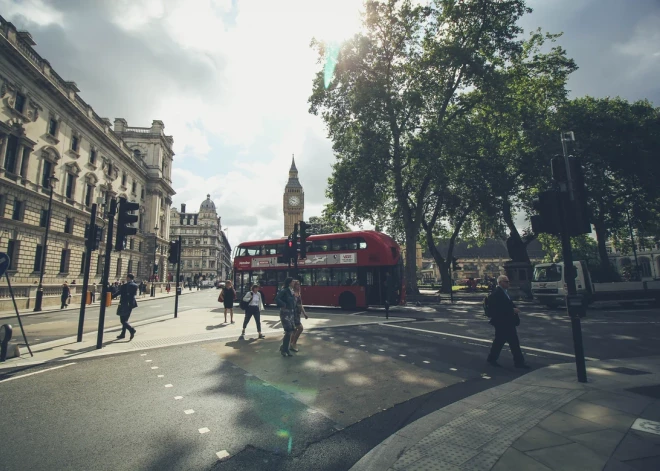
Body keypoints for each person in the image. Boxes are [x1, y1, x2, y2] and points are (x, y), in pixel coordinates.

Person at [486, 275, 529, 369]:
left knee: (507, 342)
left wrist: (513, 309)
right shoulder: (496, 293)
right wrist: (512, 310)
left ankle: (517, 362)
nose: (508, 283)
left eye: (508, 281)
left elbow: (506, 304)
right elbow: (497, 308)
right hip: (502, 322)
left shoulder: (504, 292)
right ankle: (518, 362)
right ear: (500, 282)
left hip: (507, 321)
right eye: (506, 281)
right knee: (504, 342)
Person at [113, 273, 139, 340]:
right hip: (131, 304)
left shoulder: (124, 286)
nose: (126, 278)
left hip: (124, 303)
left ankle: (131, 330)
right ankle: (123, 334)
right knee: (126, 319)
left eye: (126, 277)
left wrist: (110, 297)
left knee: (122, 320)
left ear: (128, 278)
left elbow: (118, 293)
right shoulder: (135, 285)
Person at [275, 277, 296, 357]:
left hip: (291, 312)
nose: (294, 283)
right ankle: (285, 349)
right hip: (285, 313)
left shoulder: (291, 291)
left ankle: (284, 348)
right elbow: (277, 298)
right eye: (293, 281)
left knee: (290, 331)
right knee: (288, 330)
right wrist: (283, 305)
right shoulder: (284, 290)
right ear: (289, 283)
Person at [289, 280, 308, 352]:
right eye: (297, 284)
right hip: (292, 313)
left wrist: (304, 313)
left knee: (294, 330)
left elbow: (300, 305)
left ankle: (291, 344)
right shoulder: (291, 293)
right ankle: (294, 343)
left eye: (299, 284)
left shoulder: (298, 294)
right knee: (300, 328)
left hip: (297, 313)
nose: (298, 286)